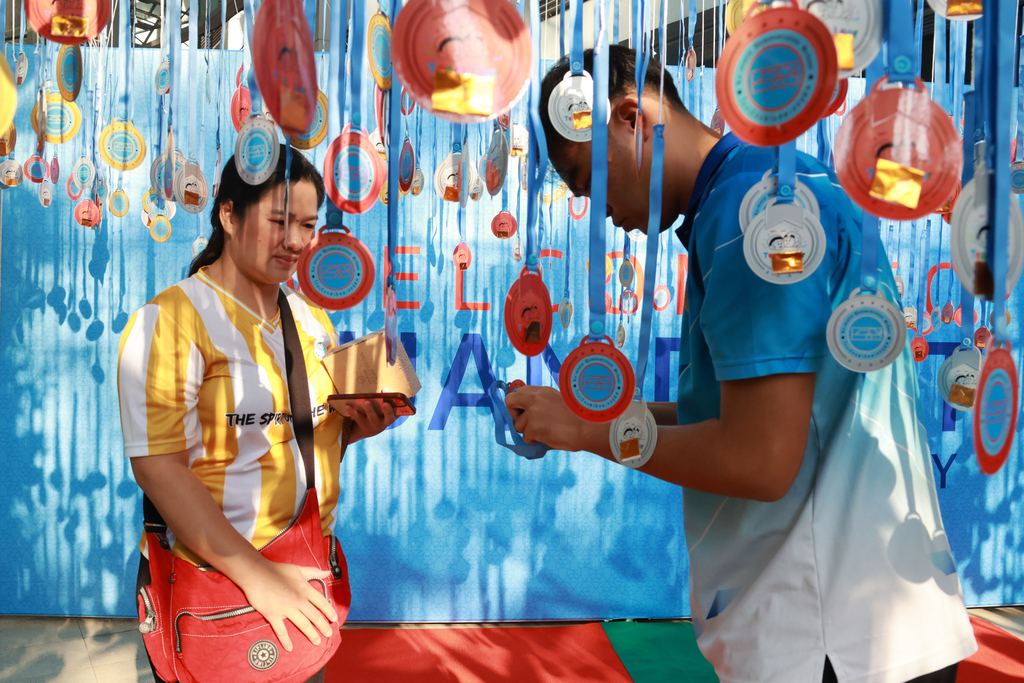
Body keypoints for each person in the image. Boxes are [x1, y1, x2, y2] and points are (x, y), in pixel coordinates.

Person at [507, 45, 977, 683]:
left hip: (830, 640)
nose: (601, 211)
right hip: (860, 624)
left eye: (587, 178)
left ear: (629, 117)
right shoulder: (765, 189)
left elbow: (759, 457)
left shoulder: (748, 213)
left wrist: (591, 432)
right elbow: (749, 417)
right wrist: (590, 416)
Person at [117, 147, 398, 683]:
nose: (295, 241)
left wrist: (355, 428)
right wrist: (257, 576)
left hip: (306, 577)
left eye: (308, 225)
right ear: (228, 214)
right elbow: (158, 468)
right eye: (279, 221)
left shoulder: (311, 320)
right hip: (217, 585)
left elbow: (298, 441)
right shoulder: (168, 322)